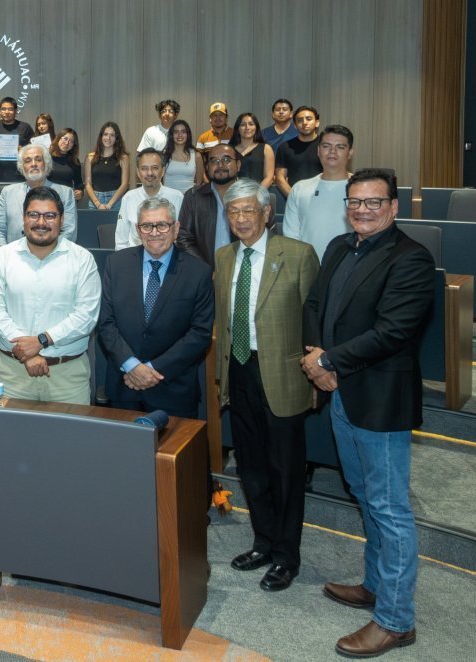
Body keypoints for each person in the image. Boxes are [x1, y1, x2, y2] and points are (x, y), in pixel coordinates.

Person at [301, 169, 435, 658]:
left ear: (394, 207)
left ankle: (396, 621)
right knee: (363, 494)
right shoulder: (340, 246)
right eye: (355, 201)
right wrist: (315, 356)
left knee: (389, 508)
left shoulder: (411, 258)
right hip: (341, 394)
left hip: (380, 402)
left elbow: (393, 332)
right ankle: (376, 585)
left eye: (374, 202)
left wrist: (328, 362)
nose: (362, 210)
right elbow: (315, 304)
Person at [214, 178, 319, 593]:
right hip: (238, 371)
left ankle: (286, 556)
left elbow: (313, 319)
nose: (241, 218)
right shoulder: (224, 257)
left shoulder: (297, 254)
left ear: (267, 213)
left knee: (285, 470)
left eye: (248, 210)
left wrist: (315, 376)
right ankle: (263, 542)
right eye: (233, 211)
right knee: (251, 466)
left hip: (283, 376)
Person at [96, 197, 213, 418]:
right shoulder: (116, 264)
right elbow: (106, 324)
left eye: (162, 225)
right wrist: (132, 366)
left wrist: (151, 370)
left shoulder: (199, 272)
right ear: (138, 230)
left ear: (176, 228)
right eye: (147, 226)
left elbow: (200, 334)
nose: (154, 232)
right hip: (124, 386)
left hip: (173, 389)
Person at [0, 186, 100, 404]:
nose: (41, 222)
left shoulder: (82, 259)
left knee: (71, 429)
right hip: (12, 374)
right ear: (23, 219)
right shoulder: (2, 257)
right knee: (6, 428)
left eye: (50, 216)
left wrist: (41, 341)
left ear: (62, 220)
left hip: (67, 377)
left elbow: (86, 316)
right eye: (33, 215)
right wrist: (26, 353)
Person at [178, 144, 269, 265]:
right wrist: (204, 269)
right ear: (207, 167)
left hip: (245, 268)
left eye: (226, 160)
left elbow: (266, 236)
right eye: (214, 161)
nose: (220, 165)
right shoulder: (194, 197)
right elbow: (184, 238)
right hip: (205, 270)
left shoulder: (254, 196)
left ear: (238, 165)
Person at [284, 125, 355, 258]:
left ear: (350, 152)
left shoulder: (361, 189)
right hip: (308, 265)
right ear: (318, 151)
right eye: (326, 146)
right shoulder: (300, 188)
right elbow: (291, 237)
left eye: (340, 147)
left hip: (349, 265)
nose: (332, 151)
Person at [0, 144, 77, 246]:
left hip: (53, 254)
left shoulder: (66, 193)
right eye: (28, 161)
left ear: (46, 164)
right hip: (13, 254)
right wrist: (3, 254)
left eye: (38, 159)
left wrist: (47, 253)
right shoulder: (7, 192)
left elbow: (69, 232)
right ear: (22, 167)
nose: (33, 164)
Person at [115, 148, 186, 249]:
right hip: (135, 256)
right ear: (138, 172)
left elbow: (183, 238)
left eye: (155, 168)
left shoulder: (177, 198)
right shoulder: (129, 198)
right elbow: (121, 241)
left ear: (163, 171)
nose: (149, 173)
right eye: (144, 168)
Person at [0, 97, 34, 182]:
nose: (6, 112)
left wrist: (23, 150)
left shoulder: (25, 127)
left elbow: (34, 149)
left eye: (10, 109)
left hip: (21, 176)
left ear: (16, 111)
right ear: (0, 111)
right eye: (3, 109)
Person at [275, 106, 322, 198]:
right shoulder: (285, 147)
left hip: (322, 196)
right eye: (300, 120)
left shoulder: (327, 146)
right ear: (295, 126)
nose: (304, 123)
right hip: (294, 197)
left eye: (308, 119)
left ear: (317, 123)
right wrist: (294, 198)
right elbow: (280, 179)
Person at [83, 122, 129, 211]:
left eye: (112, 135)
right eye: (105, 134)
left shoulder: (123, 158)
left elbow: (125, 184)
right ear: (101, 136)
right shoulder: (90, 157)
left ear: (117, 138)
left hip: (116, 201)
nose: (108, 138)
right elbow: (88, 184)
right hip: (95, 201)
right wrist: (98, 204)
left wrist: (109, 204)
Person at [229, 112, 274, 189]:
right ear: (237, 128)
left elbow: (269, 178)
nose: (247, 127)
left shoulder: (266, 149)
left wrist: (257, 193)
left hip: (259, 192)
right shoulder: (229, 150)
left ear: (256, 128)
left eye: (251, 124)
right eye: (243, 125)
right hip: (234, 192)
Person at [162, 119, 203, 193]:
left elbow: (199, 183)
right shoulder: (165, 155)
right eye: (176, 132)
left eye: (183, 132)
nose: (180, 135)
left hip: (189, 198)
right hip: (168, 198)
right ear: (172, 135)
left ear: (188, 134)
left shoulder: (197, 156)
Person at [48, 128, 84, 201]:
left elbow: (79, 183)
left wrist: (80, 192)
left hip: (66, 199)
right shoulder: (47, 156)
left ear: (74, 145)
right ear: (58, 138)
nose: (67, 143)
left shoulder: (74, 160)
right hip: (48, 198)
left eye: (71, 141)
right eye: (65, 138)